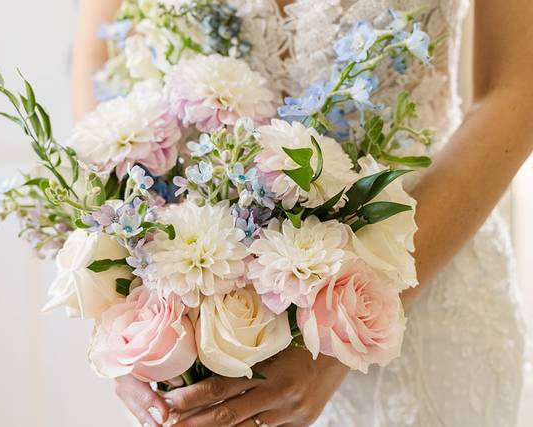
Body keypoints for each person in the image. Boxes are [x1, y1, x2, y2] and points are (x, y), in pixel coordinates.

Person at [71, 1, 532, 425]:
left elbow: (517, 90)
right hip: (199, 298)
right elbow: (99, 67)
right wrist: (131, 313)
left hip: (427, 283)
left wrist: (338, 343)